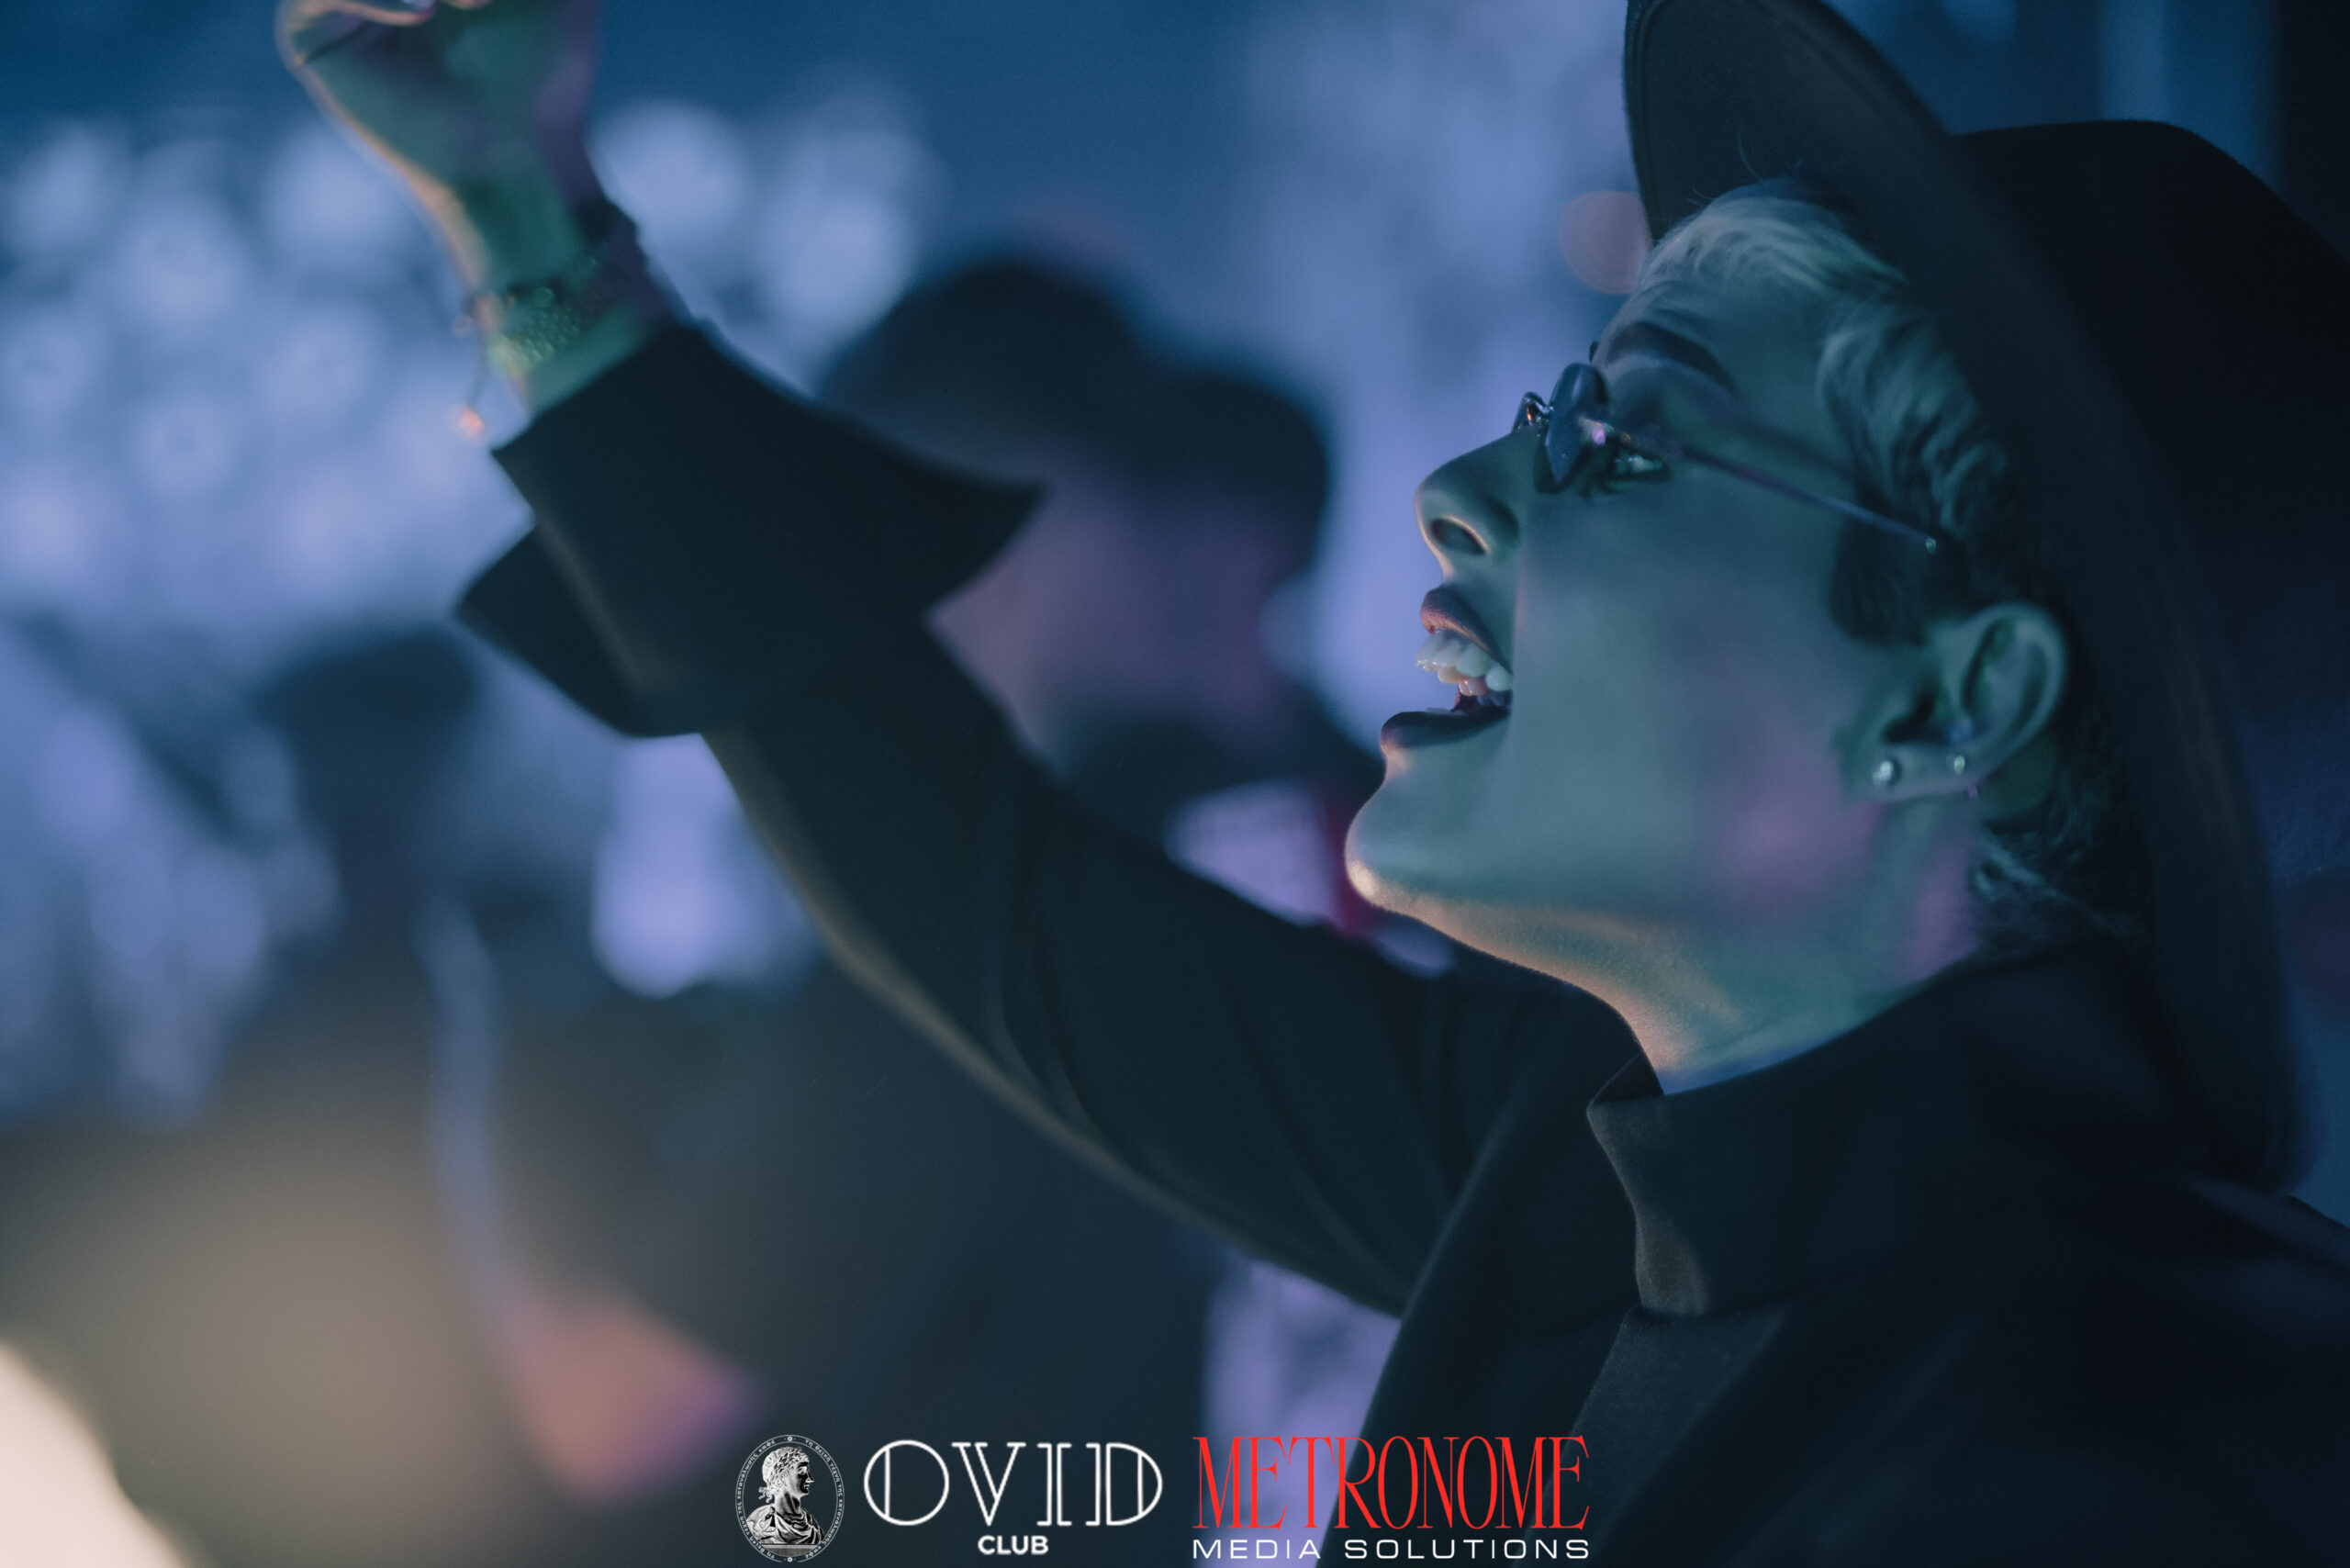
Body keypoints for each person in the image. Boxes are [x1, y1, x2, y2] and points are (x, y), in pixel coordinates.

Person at [280, 0, 2350, 1562]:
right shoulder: (1594, 1163)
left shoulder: (2132, 1465)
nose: (1458, 488)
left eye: (1623, 441)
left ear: (1959, 687)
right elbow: (988, 905)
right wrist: (526, 220)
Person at [479, 259, 1387, 1564]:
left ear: (960, 543)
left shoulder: (991, 910)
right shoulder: (1444, 859)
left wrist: (482, 1117)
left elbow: (611, 1411)